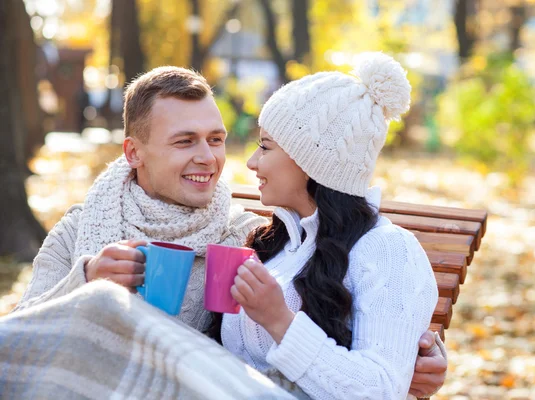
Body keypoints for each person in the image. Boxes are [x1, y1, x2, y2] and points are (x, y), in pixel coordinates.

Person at [12, 66, 446, 397]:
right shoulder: (78, 231)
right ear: (134, 153)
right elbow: (18, 345)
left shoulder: (244, 239)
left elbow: (367, 345)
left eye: (216, 140)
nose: (212, 159)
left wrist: (418, 355)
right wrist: (84, 283)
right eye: (185, 142)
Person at [206, 52, 440, 399]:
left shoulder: (389, 250)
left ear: (310, 161)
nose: (253, 162)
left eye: (265, 146)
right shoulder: (276, 243)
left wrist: (280, 321)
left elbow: (380, 390)